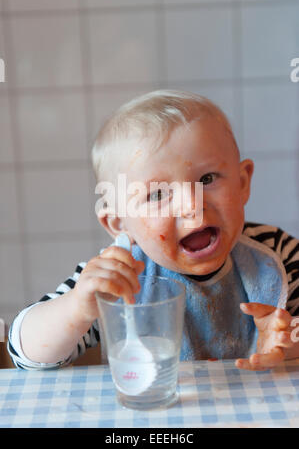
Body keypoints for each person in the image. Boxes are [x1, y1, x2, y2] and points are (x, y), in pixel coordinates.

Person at [7, 90, 299, 371]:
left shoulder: (277, 252)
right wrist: (76, 307)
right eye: (158, 194)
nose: (191, 206)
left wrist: (288, 345)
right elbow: (26, 354)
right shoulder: (118, 274)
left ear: (242, 182)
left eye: (207, 178)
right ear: (119, 224)